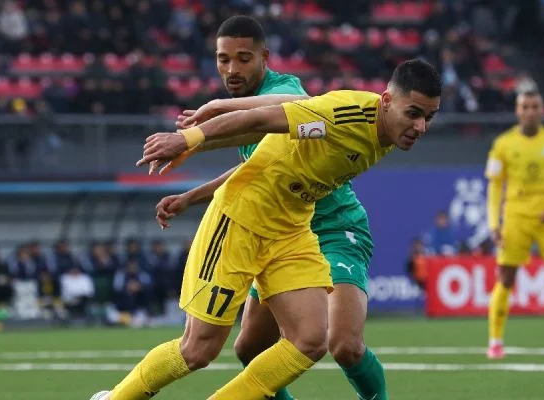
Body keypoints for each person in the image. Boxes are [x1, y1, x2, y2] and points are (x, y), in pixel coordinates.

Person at [90, 58, 441, 400]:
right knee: (198, 349)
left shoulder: (379, 128)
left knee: (310, 340)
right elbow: (260, 120)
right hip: (241, 221)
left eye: (428, 117)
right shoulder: (348, 115)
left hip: (291, 228)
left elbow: (276, 145)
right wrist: (188, 139)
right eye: (413, 113)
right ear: (387, 101)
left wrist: (191, 193)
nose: (420, 127)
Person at [153, 15, 387, 400]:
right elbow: (255, 169)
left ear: (264, 58)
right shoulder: (245, 111)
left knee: (344, 345)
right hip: (282, 234)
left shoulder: (283, 87)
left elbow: (294, 105)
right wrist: (190, 197)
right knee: (249, 348)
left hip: (332, 228)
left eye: (243, 59)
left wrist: (209, 117)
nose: (232, 69)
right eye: (224, 59)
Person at [484, 91, 544, 359]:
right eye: (525, 106)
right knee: (505, 278)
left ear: (542, 109)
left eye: (535, 106)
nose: (529, 111)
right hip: (516, 218)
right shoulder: (503, 144)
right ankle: (495, 341)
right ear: (517, 111)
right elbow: (494, 187)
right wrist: (494, 224)